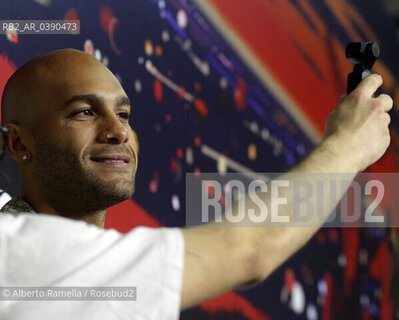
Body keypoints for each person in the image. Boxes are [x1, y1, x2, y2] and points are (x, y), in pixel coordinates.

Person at [0, 49, 392, 319]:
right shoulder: (14, 251)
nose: (118, 131)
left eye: (124, 114)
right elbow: (250, 249)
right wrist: (347, 146)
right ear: (18, 143)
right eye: (85, 112)